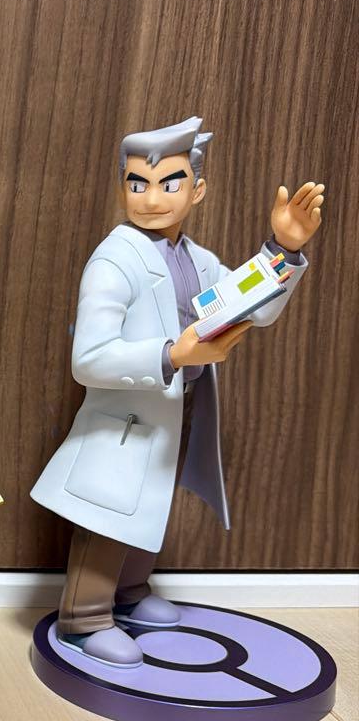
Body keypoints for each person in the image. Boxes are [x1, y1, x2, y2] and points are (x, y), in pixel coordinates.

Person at [31, 117, 324, 667]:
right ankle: (83, 619)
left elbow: (250, 306)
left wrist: (282, 249)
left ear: (198, 190)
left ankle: (130, 593)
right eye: (137, 183)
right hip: (123, 421)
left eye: (169, 183)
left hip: (175, 408)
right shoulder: (115, 259)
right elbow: (88, 358)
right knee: (109, 514)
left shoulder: (197, 259)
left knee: (151, 504)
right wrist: (171, 355)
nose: (151, 198)